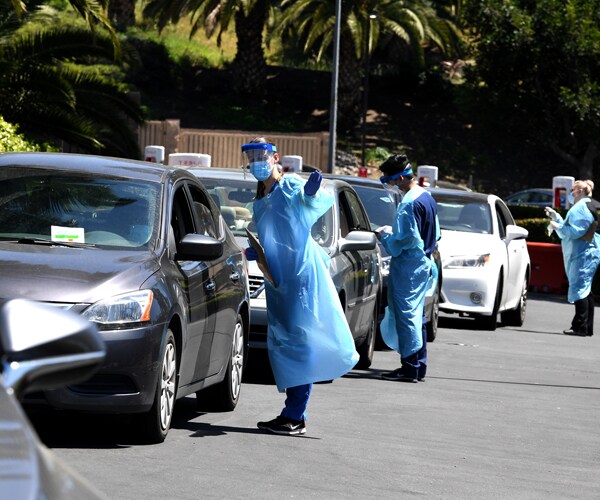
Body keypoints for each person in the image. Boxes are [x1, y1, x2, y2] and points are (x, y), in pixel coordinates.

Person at [242, 137, 359, 435]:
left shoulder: (290, 186)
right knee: (284, 343)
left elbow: (310, 206)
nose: (256, 161)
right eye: (251, 156)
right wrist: (259, 252)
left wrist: (310, 194)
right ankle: (293, 412)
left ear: (275, 157)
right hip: (278, 277)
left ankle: (295, 413)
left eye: (261, 155)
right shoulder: (262, 198)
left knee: (298, 342)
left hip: (300, 275)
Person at [376, 154, 440, 382]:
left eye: (391, 180)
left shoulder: (408, 203)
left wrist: (385, 237)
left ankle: (410, 367)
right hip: (423, 262)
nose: (391, 185)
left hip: (409, 266)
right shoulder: (426, 197)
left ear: (402, 178)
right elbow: (432, 233)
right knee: (417, 315)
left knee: (406, 317)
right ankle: (418, 365)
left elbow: (402, 242)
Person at [545, 180, 600, 337]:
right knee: (585, 290)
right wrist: (557, 219)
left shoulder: (583, 208)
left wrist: (558, 226)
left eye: (573, 190)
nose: (570, 193)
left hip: (583, 254)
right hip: (585, 252)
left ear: (581, 191)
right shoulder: (582, 207)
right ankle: (586, 327)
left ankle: (579, 327)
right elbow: (570, 230)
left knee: (580, 289)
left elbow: (576, 232)